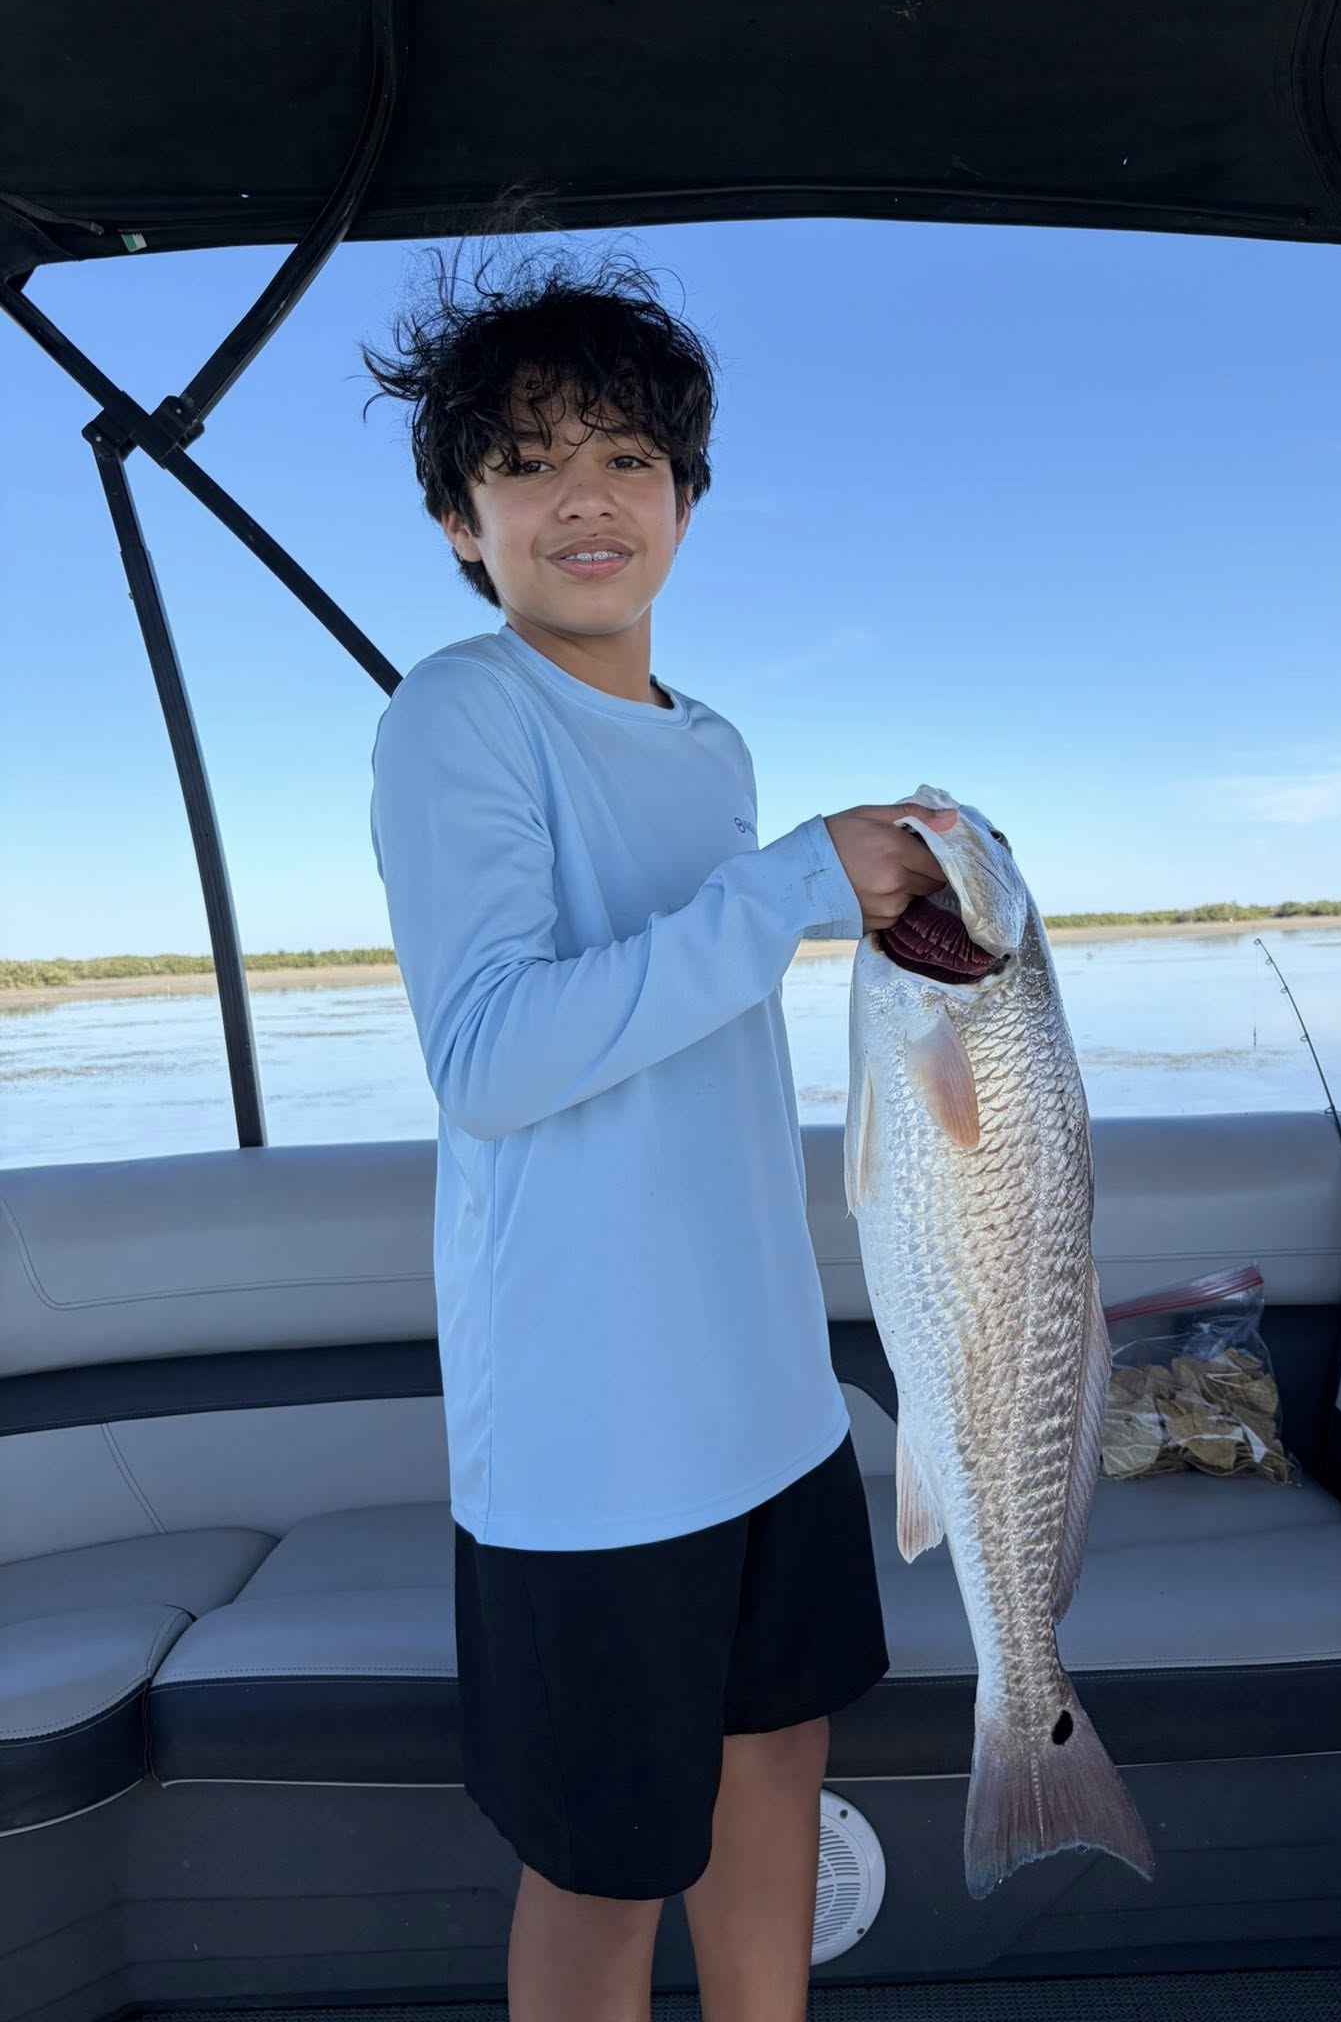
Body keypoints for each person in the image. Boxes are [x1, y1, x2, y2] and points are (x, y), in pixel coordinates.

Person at [364, 234, 954, 2022]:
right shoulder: (458, 710)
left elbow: (704, 1007)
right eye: (526, 462)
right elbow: (490, 1055)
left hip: (769, 1395)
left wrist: (887, 911)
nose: (584, 497)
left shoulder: (717, 749)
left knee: (776, 1770)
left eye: (627, 455)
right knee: (606, 1865)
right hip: (593, 1432)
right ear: (461, 524)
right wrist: (791, 888)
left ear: (686, 499)